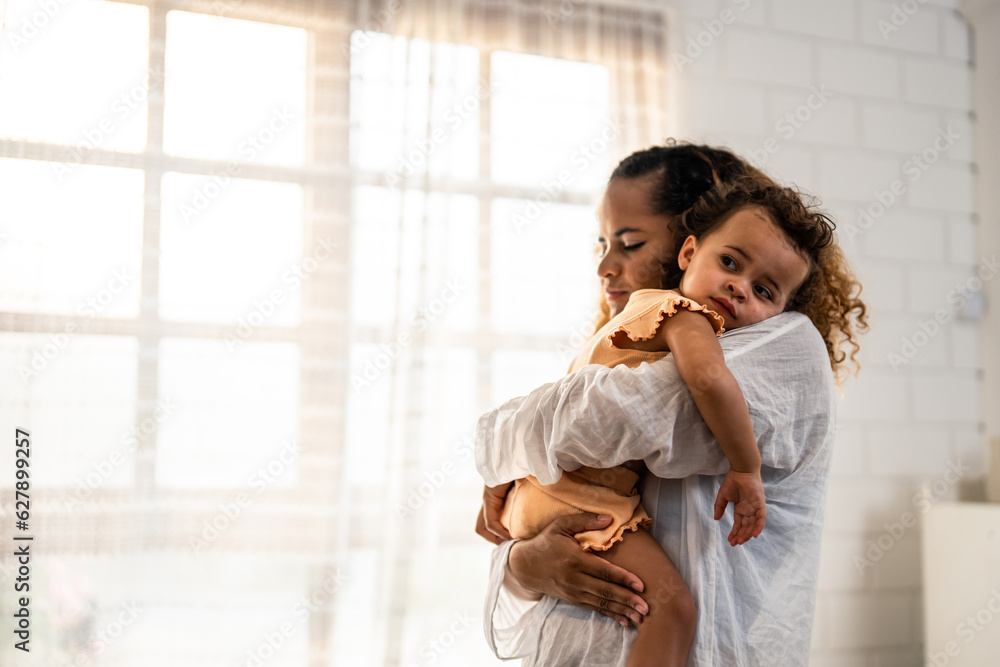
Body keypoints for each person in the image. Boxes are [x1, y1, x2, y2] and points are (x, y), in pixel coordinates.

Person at [474, 144, 867, 666]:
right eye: (602, 242)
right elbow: (553, 493)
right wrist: (526, 563)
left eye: (630, 243)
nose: (606, 267)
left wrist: (507, 448)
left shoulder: (779, 346)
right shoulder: (644, 339)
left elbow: (599, 420)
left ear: (688, 238)